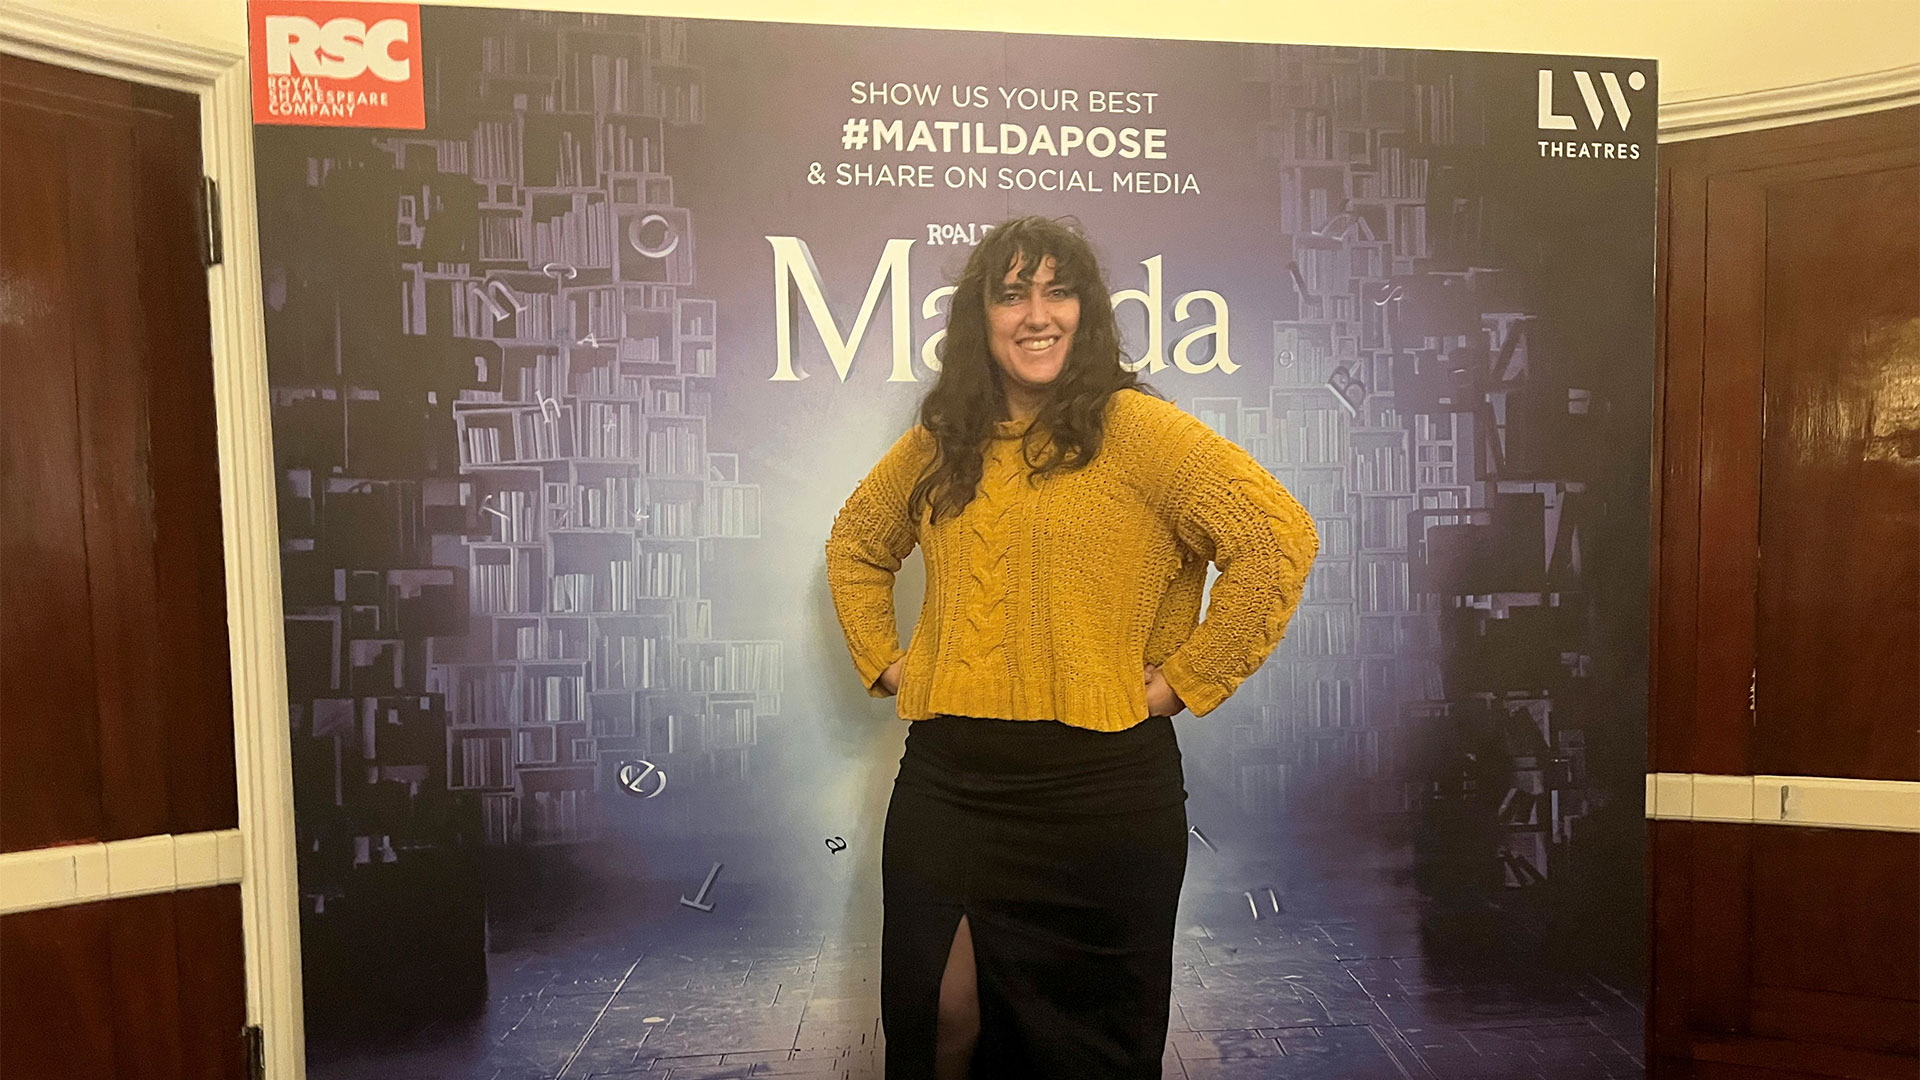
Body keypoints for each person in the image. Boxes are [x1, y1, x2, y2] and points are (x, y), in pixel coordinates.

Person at [824, 216, 1319, 1077]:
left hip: (1103, 799)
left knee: (1086, 1054)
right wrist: (892, 661)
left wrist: (1185, 679)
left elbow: (1277, 539)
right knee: (937, 1020)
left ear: (1086, 311)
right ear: (981, 317)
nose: (1037, 314)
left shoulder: (1139, 432)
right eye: (1012, 294)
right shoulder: (946, 440)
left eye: (1059, 292)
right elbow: (858, 544)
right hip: (951, 788)